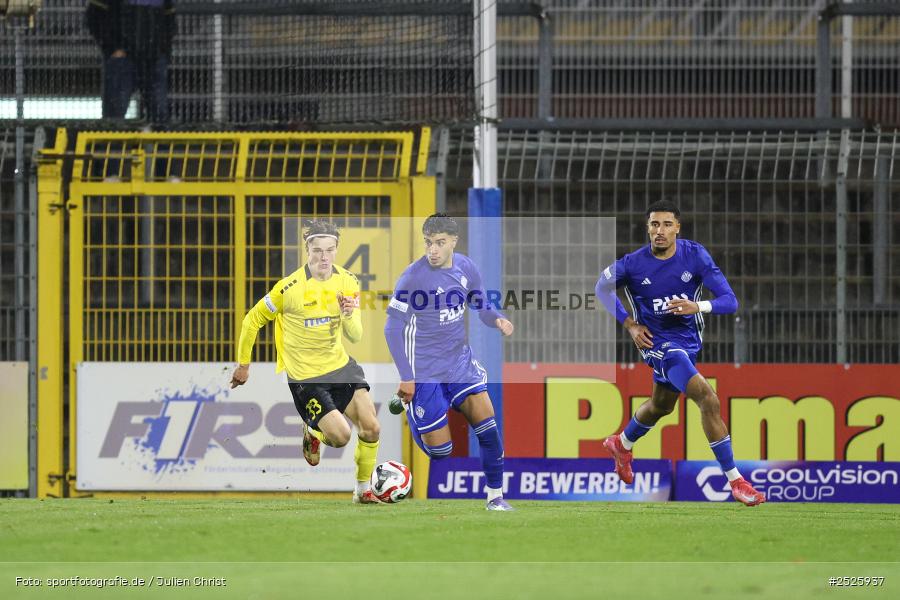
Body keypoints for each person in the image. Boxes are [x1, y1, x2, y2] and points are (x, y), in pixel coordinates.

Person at [595, 200, 766, 507]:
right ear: (647, 228)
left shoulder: (694, 255)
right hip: (658, 345)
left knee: (661, 406)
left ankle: (622, 444)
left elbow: (730, 301)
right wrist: (631, 325)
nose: (659, 231)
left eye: (666, 225)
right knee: (708, 399)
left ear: (677, 228)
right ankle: (736, 481)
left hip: (687, 343)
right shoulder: (633, 264)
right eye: (653, 225)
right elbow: (600, 287)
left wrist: (696, 306)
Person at [231, 220, 381, 504]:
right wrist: (243, 365)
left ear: (337, 250)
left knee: (372, 427)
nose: (323, 257)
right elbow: (252, 320)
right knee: (341, 437)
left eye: (329, 250)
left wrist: (349, 314)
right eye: (317, 250)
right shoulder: (288, 289)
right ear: (307, 251)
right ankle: (313, 431)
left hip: (341, 367)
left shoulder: (348, 281)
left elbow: (356, 335)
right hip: (306, 379)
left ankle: (363, 491)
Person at [384, 214, 515, 511]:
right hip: (425, 372)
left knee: (489, 427)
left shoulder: (466, 267)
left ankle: (495, 498)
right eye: (429, 243)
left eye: (440, 243)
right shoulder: (412, 278)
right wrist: (407, 377)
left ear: (453, 242)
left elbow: (480, 303)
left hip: (459, 364)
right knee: (442, 452)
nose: (433, 249)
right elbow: (392, 328)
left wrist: (497, 319)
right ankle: (412, 408)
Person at [86, 0, 175, 122]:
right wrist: (112, 48)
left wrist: (162, 51)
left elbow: (170, 19)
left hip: (152, 58)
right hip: (125, 60)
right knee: (115, 114)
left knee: (159, 114)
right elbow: (93, 16)